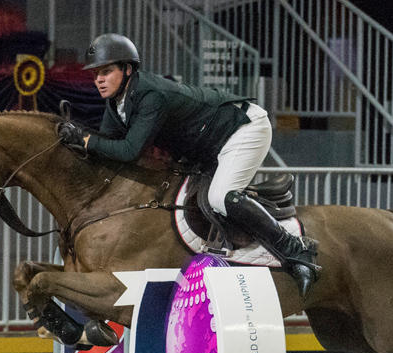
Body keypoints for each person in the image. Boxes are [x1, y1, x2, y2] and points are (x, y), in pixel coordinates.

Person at [58, 34, 320, 298]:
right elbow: (106, 147)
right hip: (210, 145)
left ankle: (296, 250)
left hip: (243, 128)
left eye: (106, 71)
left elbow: (128, 152)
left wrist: (86, 139)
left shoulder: (150, 94)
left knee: (221, 196)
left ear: (127, 70)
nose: (99, 80)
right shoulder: (117, 104)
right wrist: (78, 139)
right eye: (95, 75)